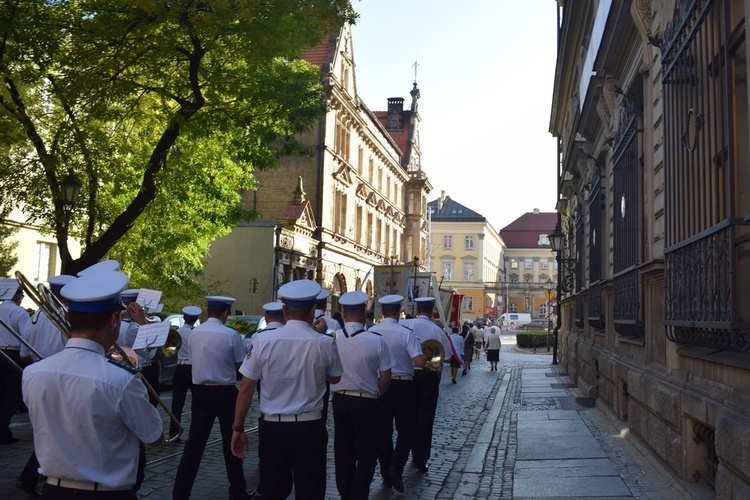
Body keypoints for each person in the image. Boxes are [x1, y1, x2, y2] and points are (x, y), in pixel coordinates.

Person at [22, 270, 164, 499]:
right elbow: (155, 437)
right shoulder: (122, 379)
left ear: (69, 319)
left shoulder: (32, 373)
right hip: (108, 494)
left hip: (52, 491)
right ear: (114, 320)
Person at [232, 280, 343, 500]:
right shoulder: (324, 342)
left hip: (273, 427)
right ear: (313, 311)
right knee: (310, 491)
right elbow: (335, 377)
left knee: (272, 490)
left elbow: (246, 388)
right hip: (310, 426)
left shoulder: (262, 340)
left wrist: (237, 427)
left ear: (284, 311)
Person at [172, 296, 251, 500]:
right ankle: (237, 491)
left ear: (207, 311)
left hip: (200, 392)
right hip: (225, 392)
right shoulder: (231, 335)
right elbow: (241, 364)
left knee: (194, 446)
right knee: (231, 443)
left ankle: (180, 492)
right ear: (225, 313)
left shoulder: (194, 334)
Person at [330, 291, 393, 500]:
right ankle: (358, 495)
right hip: (367, 400)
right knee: (367, 455)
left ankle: (345, 494)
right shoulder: (376, 340)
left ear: (343, 313)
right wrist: (376, 393)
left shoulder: (332, 339)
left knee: (343, 454)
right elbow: (385, 378)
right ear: (364, 313)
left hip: (340, 400)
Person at [16, 274, 75, 497]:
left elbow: (23, 355)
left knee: (48, 430)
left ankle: (34, 477)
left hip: (37, 375)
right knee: (60, 430)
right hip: (61, 378)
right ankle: (35, 476)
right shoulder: (68, 318)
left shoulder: (35, 317)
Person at [371, 294, 426, 493]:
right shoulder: (405, 333)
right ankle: (397, 465)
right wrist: (425, 355)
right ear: (399, 312)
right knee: (406, 429)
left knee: (383, 431)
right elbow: (420, 363)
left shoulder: (372, 331)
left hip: (379, 384)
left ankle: (386, 473)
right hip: (403, 385)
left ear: (383, 311)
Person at [409, 297, 455, 473]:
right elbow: (448, 357)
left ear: (417, 308)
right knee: (425, 418)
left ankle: (406, 453)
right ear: (432, 310)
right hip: (428, 374)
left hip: (408, 375)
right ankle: (420, 459)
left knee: (408, 418)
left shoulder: (407, 325)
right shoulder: (436, 330)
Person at [0, 279, 30, 445]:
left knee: (1, 393)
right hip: (13, 354)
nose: (21, 299)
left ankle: (3, 431)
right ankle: (2, 428)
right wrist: (26, 355)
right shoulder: (20, 312)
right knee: (14, 394)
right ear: (16, 295)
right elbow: (26, 335)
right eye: (21, 295)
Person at [168, 305, 202, 442]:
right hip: (194, 368)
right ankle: (195, 433)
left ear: (184, 318)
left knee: (177, 402)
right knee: (196, 402)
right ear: (196, 319)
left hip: (180, 367)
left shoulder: (177, 332)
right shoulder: (197, 332)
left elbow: (170, 349)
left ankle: (173, 432)